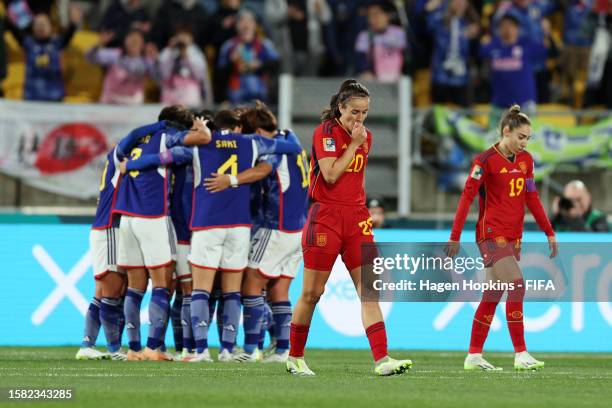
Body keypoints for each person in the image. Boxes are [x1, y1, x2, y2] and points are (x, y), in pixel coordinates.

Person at [287, 79, 412, 376]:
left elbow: (356, 178)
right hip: (326, 218)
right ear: (340, 107)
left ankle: (382, 360)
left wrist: (363, 208)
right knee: (312, 293)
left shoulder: (365, 136)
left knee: (370, 289)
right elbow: (330, 175)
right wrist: (354, 144)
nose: (360, 118)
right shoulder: (325, 133)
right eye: (354, 111)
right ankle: (294, 356)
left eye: (365, 112)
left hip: (356, 218)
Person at [446, 104, 559, 371]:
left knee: (492, 294)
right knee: (517, 285)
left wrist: (549, 231)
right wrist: (455, 236)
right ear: (506, 131)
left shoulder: (526, 161)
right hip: (490, 233)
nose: (524, 142)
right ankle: (521, 353)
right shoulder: (484, 161)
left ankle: (474, 355)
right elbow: (467, 197)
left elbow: (531, 197)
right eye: (521, 136)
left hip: (513, 236)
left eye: (528, 138)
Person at [184, 113, 302, 363]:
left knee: (201, 291)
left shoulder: (200, 144)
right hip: (239, 226)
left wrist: (199, 131)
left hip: (207, 223)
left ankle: (202, 350)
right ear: (238, 127)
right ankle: (228, 350)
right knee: (233, 293)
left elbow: (170, 149)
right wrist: (286, 134)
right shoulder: (251, 143)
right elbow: (292, 147)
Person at [114, 106, 211, 361]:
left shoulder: (138, 140)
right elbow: (203, 139)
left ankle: (134, 349)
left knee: (134, 287)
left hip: (127, 217)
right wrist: (199, 125)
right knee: (162, 284)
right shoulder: (168, 137)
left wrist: (135, 162)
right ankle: (153, 347)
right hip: (152, 216)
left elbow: (116, 155)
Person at [75, 120, 169, 361]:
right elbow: (135, 134)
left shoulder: (117, 164)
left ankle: (89, 344)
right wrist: (160, 125)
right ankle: (114, 348)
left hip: (110, 226)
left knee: (107, 291)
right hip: (109, 226)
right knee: (112, 291)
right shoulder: (118, 158)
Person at [5, 2, 82, 101]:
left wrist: (73, 23)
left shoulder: (56, 43)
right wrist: (9, 18)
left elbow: (68, 34)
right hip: (32, 96)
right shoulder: (29, 43)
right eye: (38, 24)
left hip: (54, 96)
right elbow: (14, 31)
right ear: (33, 28)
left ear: (50, 27)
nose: (41, 27)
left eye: (44, 24)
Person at [87, 29, 157, 105]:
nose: (134, 42)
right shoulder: (115, 55)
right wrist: (99, 44)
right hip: (110, 102)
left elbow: (159, 78)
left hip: (134, 104)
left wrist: (156, 59)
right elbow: (91, 58)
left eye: (137, 40)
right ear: (125, 41)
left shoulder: (146, 61)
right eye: (131, 39)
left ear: (143, 43)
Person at [354, 0, 408, 82]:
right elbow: (360, 59)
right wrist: (365, 71)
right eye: (369, 16)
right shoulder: (364, 36)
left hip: (397, 82)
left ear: (387, 15)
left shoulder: (399, 33)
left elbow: (408, 56)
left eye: (376, 15)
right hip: (375, 83)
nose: (372, 20)